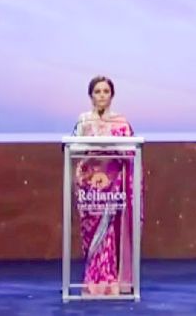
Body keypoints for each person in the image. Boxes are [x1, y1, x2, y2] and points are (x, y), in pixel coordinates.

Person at [73, 75, 137, 296]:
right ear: (90, 95)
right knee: (91, 235)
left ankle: (107, 282)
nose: (101, 95)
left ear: (112, 96)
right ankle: (93, 279)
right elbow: (72, 146)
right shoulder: (83, 121)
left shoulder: (121, 122)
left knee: (109, 232)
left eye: (106, 91)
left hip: (112, 183)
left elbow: (131, 151)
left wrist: (114, 145)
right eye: (97, 91)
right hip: (88, 185)